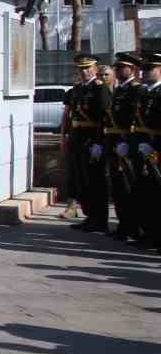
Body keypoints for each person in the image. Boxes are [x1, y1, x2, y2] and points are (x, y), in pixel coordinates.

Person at [64, 54, 111, 233]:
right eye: (81, 69)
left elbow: (105, 118)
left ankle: (100, 220)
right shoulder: (77, 89)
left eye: (87, 68)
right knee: (81, 180)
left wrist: (99, 143)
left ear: (95, 69)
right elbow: (71, 115)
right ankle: (90, 217)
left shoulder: (100, 89)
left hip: (92, 139)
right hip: (77, 138)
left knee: (95, 181)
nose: (84, 72)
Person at [105, 52, 143, 241]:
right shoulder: (119, 89)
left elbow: (135, 119)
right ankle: (123, 225)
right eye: (117, 67)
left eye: (122, 67)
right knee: (119, 187)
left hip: (126, 143)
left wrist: (127, 142)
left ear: (132, 69)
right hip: (115, 142)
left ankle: (132, 227)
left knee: (128, 187)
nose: (118, 70)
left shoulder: (136, 90)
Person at [139, 52, 161, 250]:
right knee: (149, 194)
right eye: (144, 69)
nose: (146, 72)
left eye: (150, 68)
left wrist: (155, 146)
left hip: (157, 149)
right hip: (146, 147)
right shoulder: (147, 93)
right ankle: (151, 235)